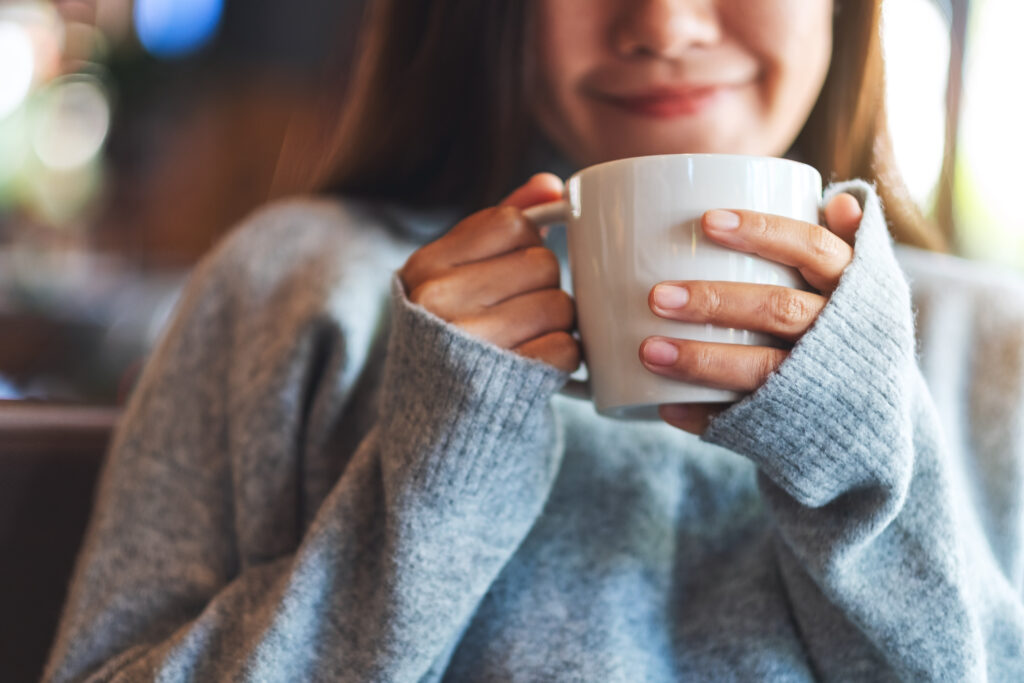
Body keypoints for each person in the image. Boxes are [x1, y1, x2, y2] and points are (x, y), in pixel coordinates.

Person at [44, 0, 1024, 680]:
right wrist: (428, 499)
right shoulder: (292, 285)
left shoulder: (991, 344)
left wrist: (864, 479)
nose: (666, 26)